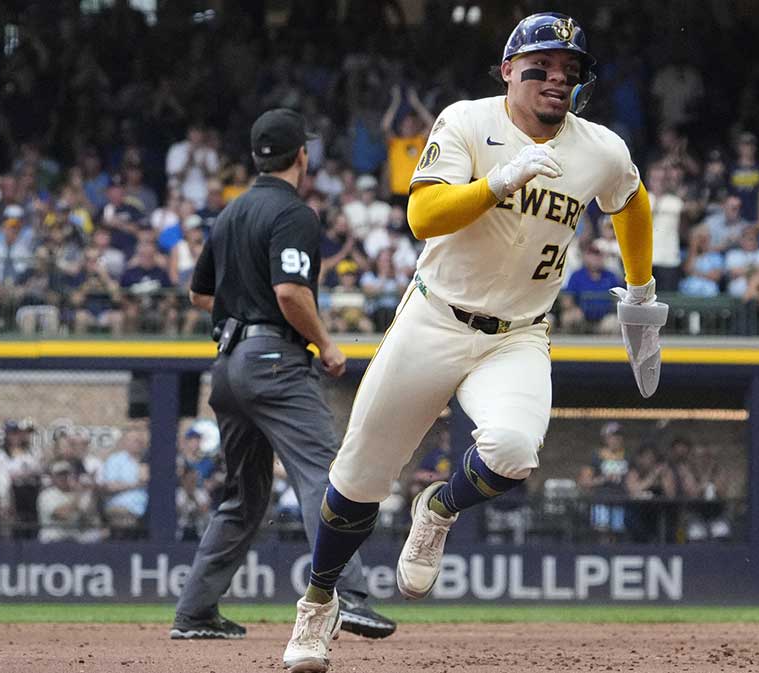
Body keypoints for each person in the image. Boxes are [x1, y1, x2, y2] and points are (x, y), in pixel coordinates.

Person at [290, 14, 658, 671]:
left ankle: (439, 508)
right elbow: (422, 214)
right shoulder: (467, 120)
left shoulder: (597, 147)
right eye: (541, 66)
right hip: (435, 318)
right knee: (357, 479)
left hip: (517, 334)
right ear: (508, 69)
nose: (555, 78)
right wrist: (499, 181)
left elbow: (630, 200)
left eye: (569, 71)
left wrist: (639, 287)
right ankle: (318, 603)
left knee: (514, 450)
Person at [171, 109, 395, 649]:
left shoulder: (230, 214)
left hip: (227, 367)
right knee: (324, 472)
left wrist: (241, 307)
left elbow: (200, 294)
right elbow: (291, 293)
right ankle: (350, 594)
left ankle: (196, 610)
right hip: (274, 362)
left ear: (256, 157)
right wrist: (328, 343)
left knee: (243, 497)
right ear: (302, 156)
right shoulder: (294, 213)